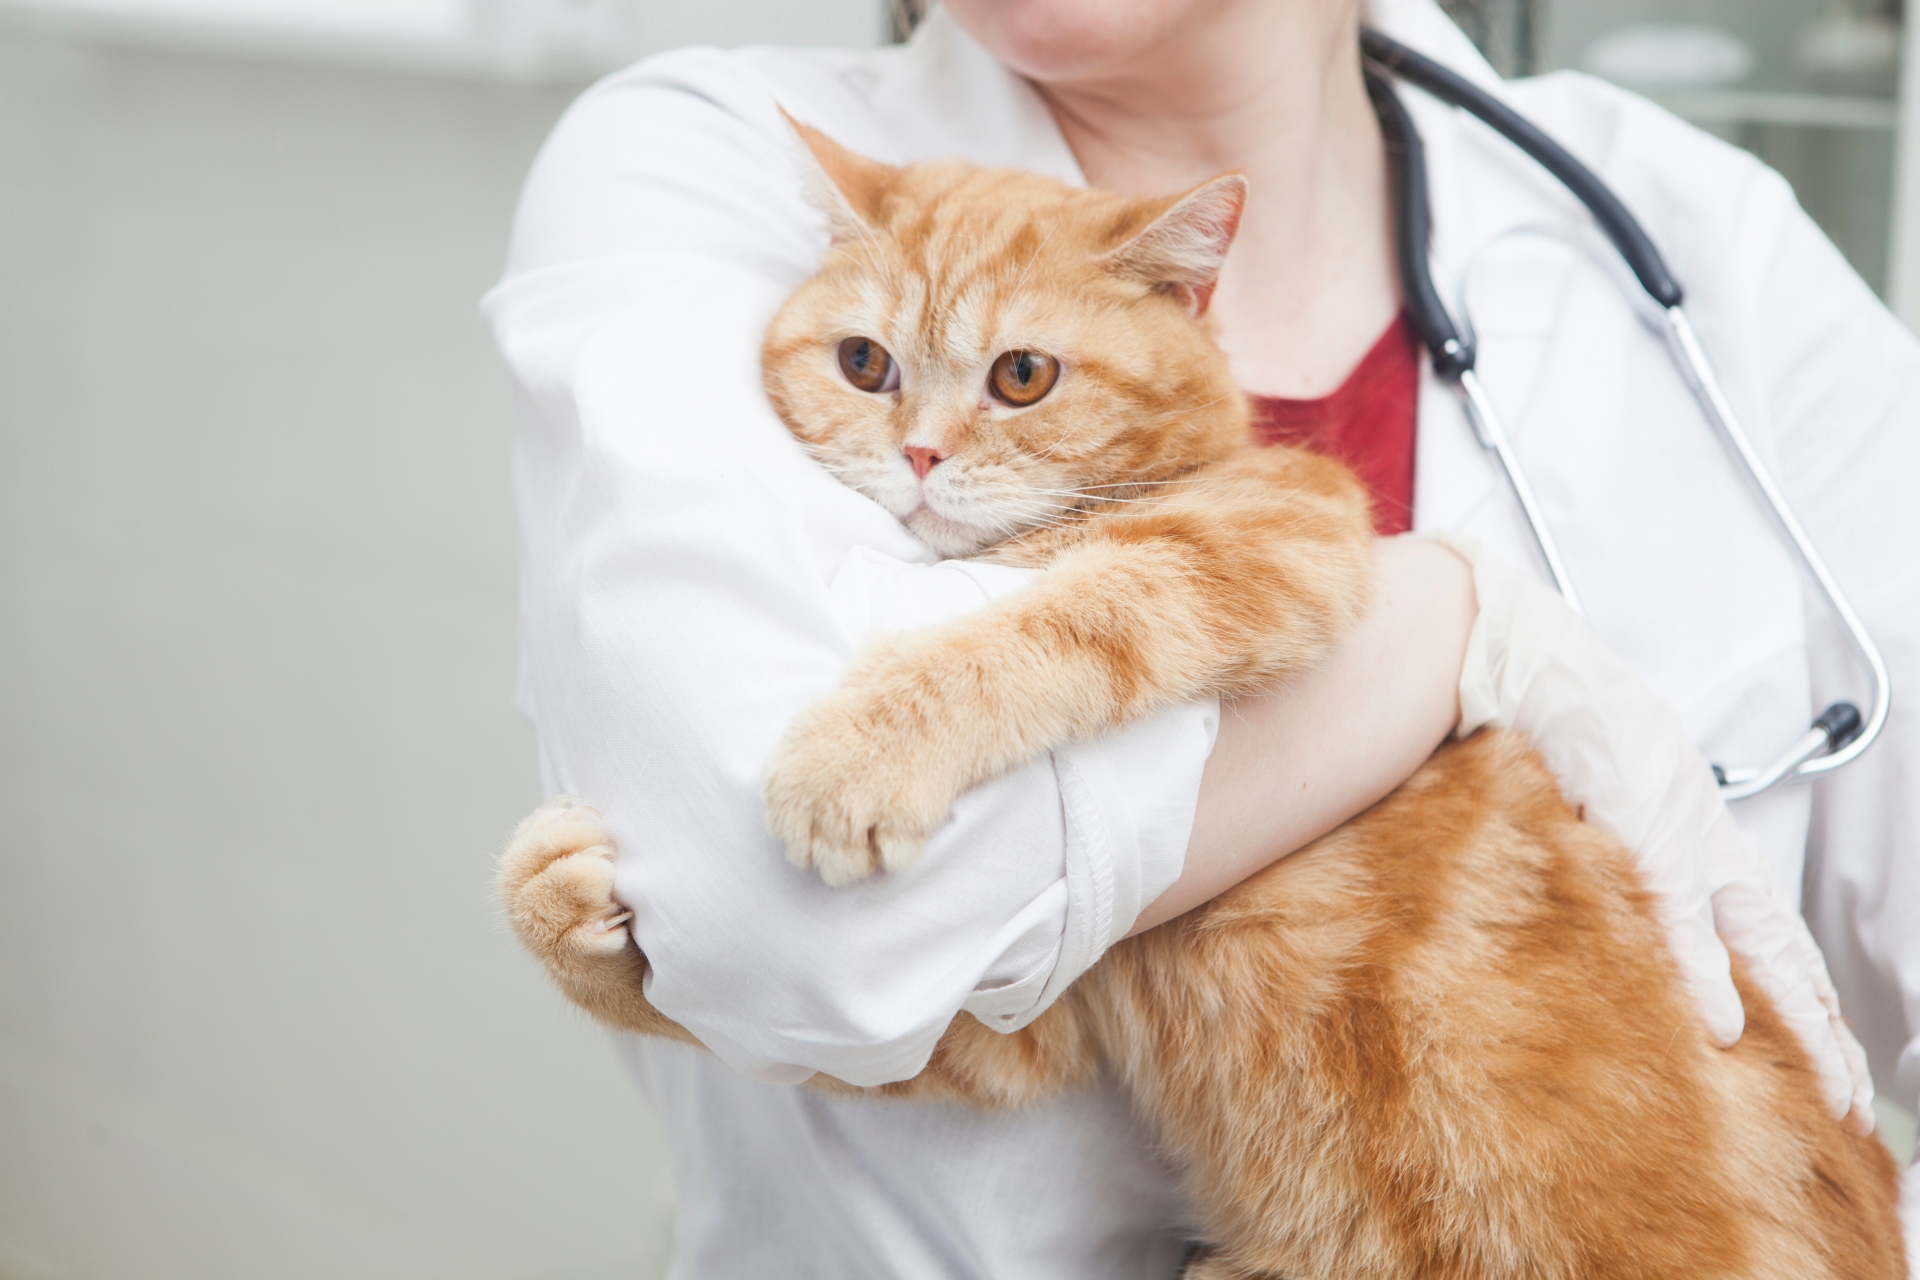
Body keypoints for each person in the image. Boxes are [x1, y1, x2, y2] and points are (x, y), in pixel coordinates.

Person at [483, 0, 1920, 1274]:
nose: (924, 444)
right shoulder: (708, 173)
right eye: (873, 375)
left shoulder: (1698, 234)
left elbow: (969, 945)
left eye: (1021, 379)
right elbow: (772, 897)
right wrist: (1445, 618)